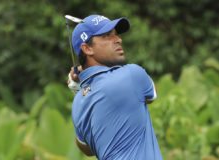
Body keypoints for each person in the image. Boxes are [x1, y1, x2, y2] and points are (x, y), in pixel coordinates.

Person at [67, 14, 163, 160]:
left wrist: (79, 90)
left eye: (116, 35)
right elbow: (151, 96)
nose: (118, 39)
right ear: (87, 49)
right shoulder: (132, 75)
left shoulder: (78, 103)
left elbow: (87, 149)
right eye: (106, 36)